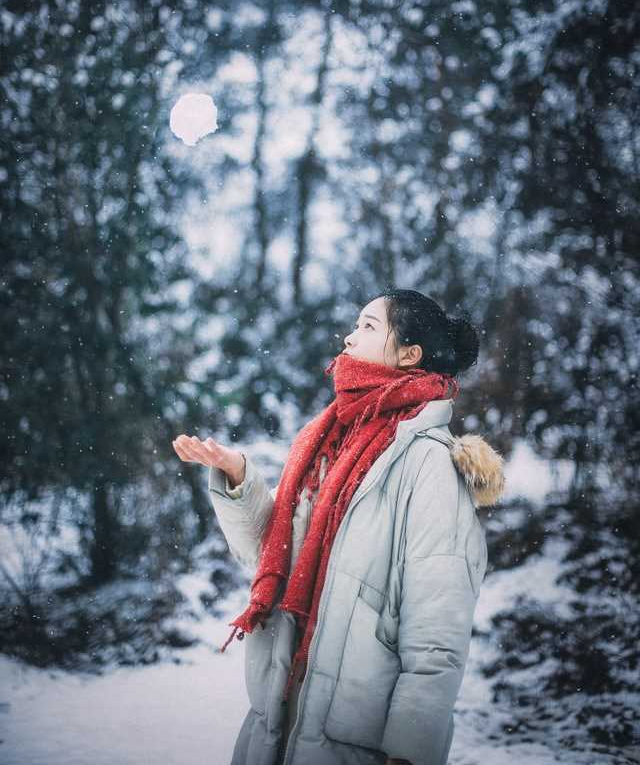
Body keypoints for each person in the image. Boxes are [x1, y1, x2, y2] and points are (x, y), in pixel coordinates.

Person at [173, 288, 505, 765]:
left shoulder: (429, 463)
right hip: (280, 713)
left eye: (369, 326)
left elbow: (437, 628)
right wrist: (239, 479)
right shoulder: (327, 438)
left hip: (355, 740)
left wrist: (410, 750)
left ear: (410, 355)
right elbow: (272, 556)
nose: (349, 337)